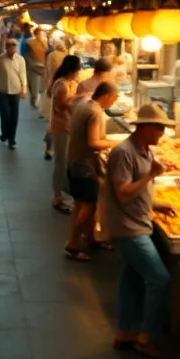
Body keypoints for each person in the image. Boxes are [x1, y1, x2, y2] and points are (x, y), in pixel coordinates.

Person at [103, 104, 177, 359]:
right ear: (145, 127)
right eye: (160, 128)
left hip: (138, 220)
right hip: (128, 228)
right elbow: (123, 194)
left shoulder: (144, 151)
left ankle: (124, 332)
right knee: (160, 279)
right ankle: (146, 338)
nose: (163, 133)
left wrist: (155, 203)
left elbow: (135, 192)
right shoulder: (124, 152)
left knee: (131, 279)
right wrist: (151, 176)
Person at [65, 82, 119, 259]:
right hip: (84, 165)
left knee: (80, 203)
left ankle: (89, 238)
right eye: (114, 98)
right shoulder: (95, 112)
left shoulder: (84, 104)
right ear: (106, 95)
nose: (114, 101)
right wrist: (114, 143)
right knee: (89, 205)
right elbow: (94, 142)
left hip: (73, 160)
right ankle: (72, 244)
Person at [48, 55, 82, 212]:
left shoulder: (71, 83)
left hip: (69, 127)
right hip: (62, 127)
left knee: (66, 162)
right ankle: (56, 197)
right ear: (73, 70)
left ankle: (64, 195)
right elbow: (63, 106)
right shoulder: (61, 85)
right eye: (78, 70)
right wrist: (80, 98)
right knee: (60, 163)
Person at [0, 37, 29, 149]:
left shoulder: (20, 60)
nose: (12, 48)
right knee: (5, 115)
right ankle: (5, 133)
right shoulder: (0, 59)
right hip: (2, 90)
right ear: (6, 47)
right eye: (10, 46)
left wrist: (24, 90)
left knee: (14, 116)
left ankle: (11, 139)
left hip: (15, 91)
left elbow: (23, 75)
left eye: (14, 45)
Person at [24, 27, 48, 111]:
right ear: (36, 34)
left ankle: (39, 103)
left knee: (42, 88)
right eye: (40, 33)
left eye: (42, 34)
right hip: (33, 67)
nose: (41, 35)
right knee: (33, 87)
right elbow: (26, 54)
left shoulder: (45, 42)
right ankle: (33, 100)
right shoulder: (29, 42)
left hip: (42, 67)